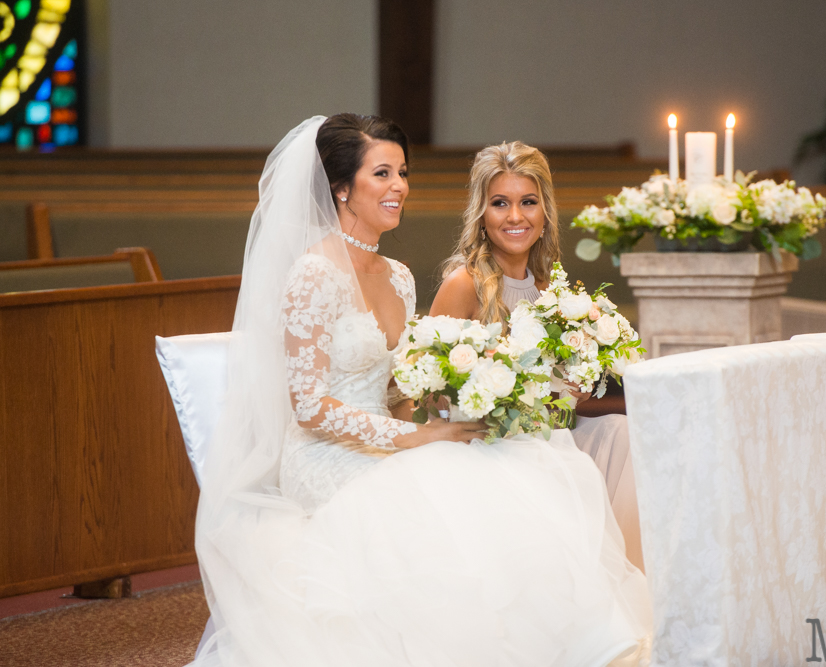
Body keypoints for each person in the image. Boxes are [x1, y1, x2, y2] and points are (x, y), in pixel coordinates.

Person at [190, 115, 651, 666]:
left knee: (495, 468)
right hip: (325, 455)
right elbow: (310, 409)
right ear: (341, 188)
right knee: (446, 493)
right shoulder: (313, 274)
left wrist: (445, 416)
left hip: (396, 437)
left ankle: (559, 644)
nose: (399, 186)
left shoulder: (400, 276)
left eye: (402, 172)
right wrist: (414, 439)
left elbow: (401, 390)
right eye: (381, 173)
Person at [430, 141, 644, 570]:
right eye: (500, 203)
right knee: (558, 457)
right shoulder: (464, 284)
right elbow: (430, 391)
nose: (515, 217)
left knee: (622, 432)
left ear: (544, 213)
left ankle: (626, 575)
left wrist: (577, 385)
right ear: (482, 215)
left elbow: (562, 396)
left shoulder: (553, 289)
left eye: (528, 202)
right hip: (485, 443)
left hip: (549, 434)